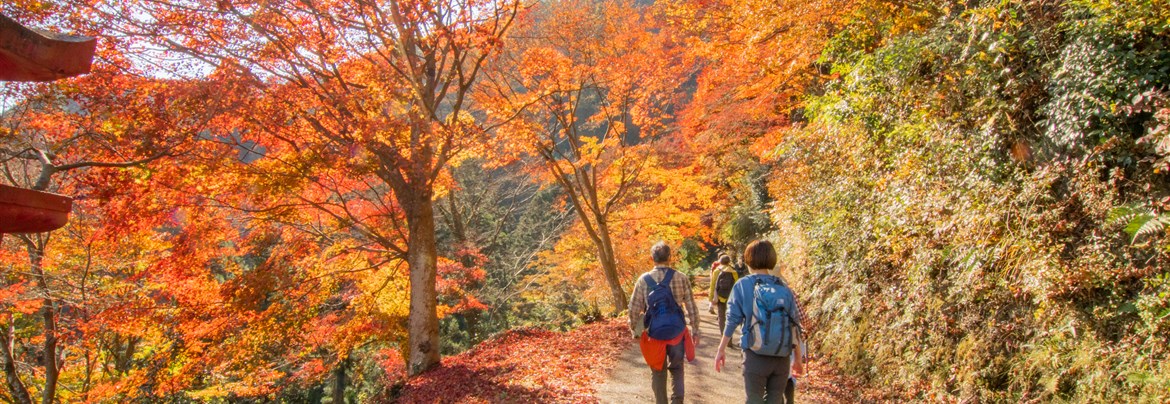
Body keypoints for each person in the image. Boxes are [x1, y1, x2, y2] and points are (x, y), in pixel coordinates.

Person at [714, 240, 804, 404]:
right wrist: (797, 358)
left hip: (755, 355)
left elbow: (732, 319)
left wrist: (721, 349)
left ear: (748, 259)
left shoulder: (743, 285)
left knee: (754, 400)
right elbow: (794, 324)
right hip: (782, 356)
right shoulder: (783, 287)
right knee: (776, 400)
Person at [629, 241, 701, 404]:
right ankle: (677, 401)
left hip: (655, 334)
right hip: (677, 333)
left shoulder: (643, 280)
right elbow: (691, 306)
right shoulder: (681, 277)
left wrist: (635, 330)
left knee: (658, 371)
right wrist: (695, 330)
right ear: (670, 257)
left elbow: (634, 309)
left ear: (652, 258)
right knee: (677, 369)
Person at [708, 254, 738, 339]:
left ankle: (724, 338)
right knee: (730, 318)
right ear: (729, 262)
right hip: (731, 298)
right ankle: (730, 339)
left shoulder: (717, 271)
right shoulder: (734, 272)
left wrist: (711, 298)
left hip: (720, 298)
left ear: (720, 262)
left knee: (721, 318)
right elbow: (736, 286)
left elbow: (713, 284)